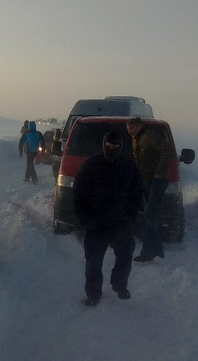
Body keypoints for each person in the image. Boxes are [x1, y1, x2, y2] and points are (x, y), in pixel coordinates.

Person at [73, 131, 141, 307]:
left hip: (121, 223)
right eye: (108, 146)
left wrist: (131, 216)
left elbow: (137, 194)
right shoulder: (90, 165)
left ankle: (119, 285)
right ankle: (93, 294)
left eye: (115, 147)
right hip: (96, 224)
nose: (111, 149)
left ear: (121, 147)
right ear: (103, 145)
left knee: (125, 257)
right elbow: (78, 195)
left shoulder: (129, 167)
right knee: (93, 262)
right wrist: (86, 219)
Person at [126, 117, 173, 262]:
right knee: (150, 216)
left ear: (140, 126)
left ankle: (148, 252)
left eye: (132, 128)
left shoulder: (150, 136)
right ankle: (158, 251)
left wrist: (159, 172)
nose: (129, 131)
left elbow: (167, 150)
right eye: (128, 129)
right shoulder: (136, 140)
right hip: (146, 181)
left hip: (157, 181)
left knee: (151, 216)